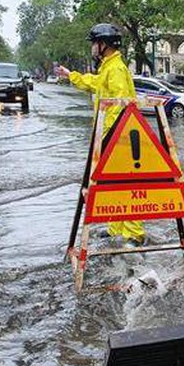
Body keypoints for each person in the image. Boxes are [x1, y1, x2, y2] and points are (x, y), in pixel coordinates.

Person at [56, 23, 145, 244]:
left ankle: (134, 233)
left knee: (125, 185)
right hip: (114, 133)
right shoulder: (109, 66)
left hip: (119, 136)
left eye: (94, 43)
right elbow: (95, 83)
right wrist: (72, 76)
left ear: (103, 44)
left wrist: (107, 136)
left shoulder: (115, 68)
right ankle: (116, 228)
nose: (92, 48)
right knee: (112, 183)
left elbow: (119, 102)